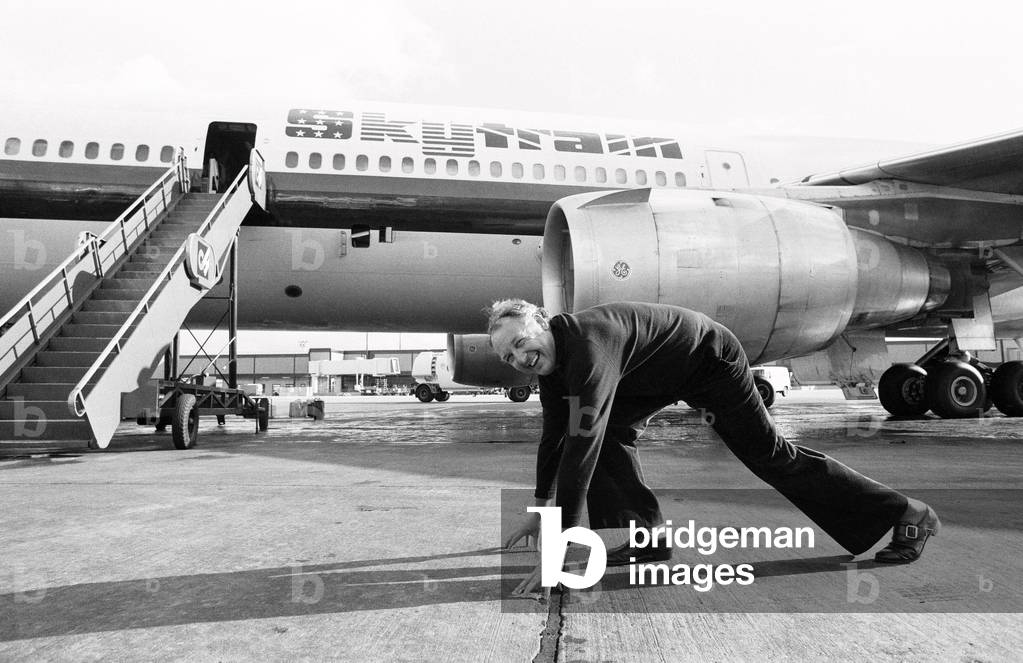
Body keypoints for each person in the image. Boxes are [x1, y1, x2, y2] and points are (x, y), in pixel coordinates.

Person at [488, 299, 939, 596]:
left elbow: (579, 446)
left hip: (709, 361)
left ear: (542, 324)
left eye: (521, 343)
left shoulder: (588, 345)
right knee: (602, 434)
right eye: (508, 356)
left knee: (771, 458)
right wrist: (539, 507)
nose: (520, 358)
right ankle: (649, 539)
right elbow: (555, 436)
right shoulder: (550, 370)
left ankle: (906, 513)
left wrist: (560, 546)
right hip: (658, 373)